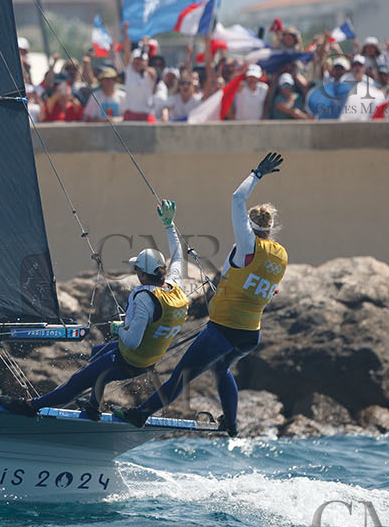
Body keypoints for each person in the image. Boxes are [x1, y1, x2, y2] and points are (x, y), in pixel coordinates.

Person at [117, 152, 287, 436]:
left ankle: (140, 414)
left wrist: (256, 174)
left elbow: (236, 199)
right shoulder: (280, 254)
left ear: (249, 226)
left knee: (180, 377)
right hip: (250, 334)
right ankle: (231, 425)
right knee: (221, 369)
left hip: (224, 330)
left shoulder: (248, 246)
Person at [0, 199, 187, 420]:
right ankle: (93, 407)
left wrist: (120, 329)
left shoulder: (144, 297)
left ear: (143, 274)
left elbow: (133, 340)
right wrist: (169, 225)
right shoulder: (175, 285)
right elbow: (178, 255)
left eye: (136, 269)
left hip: (130, 360)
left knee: (77, 383)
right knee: (97, 352)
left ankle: (31, 406)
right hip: (147, 360)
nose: (135, 272)